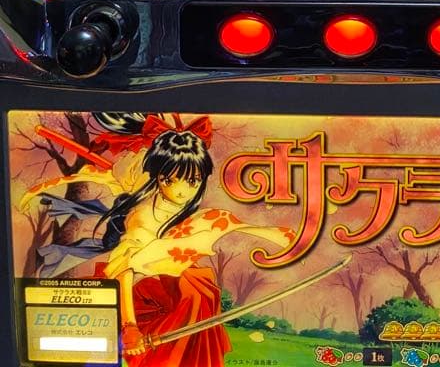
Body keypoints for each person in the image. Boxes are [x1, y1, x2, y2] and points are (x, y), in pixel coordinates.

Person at [20, 113, 293, 367]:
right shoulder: (142, 218)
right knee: (191, 294)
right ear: (159, 178)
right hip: (147, 297)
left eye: (193, 181)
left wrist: (287, 239)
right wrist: (130, 327)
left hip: (181, 291)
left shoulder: (191, 214)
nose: (183, 191)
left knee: (199, 290)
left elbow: (227, 222)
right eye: (171, 180)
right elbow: (124, 271)